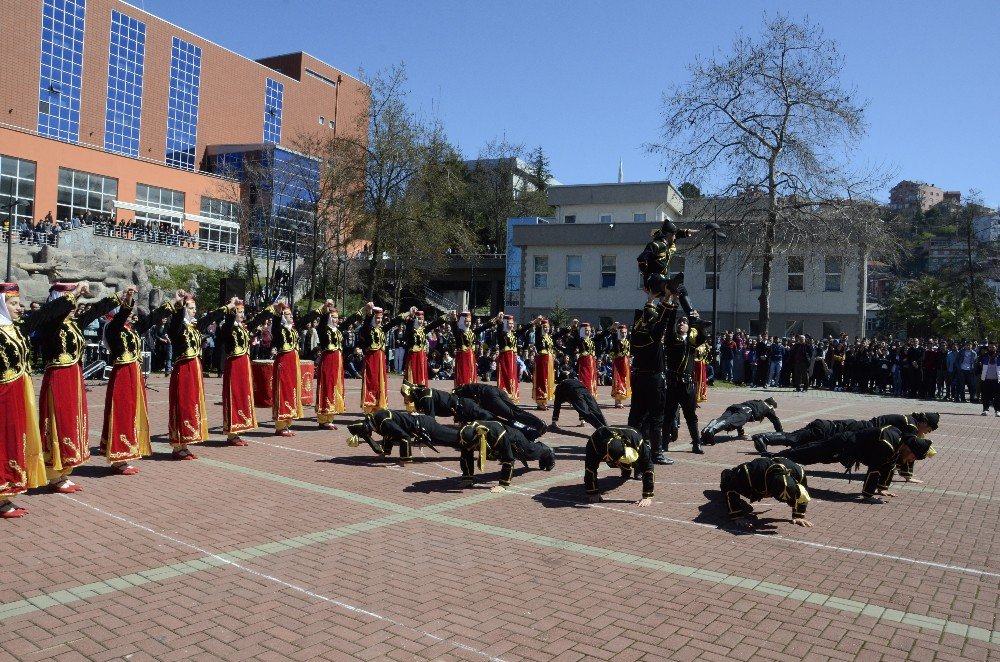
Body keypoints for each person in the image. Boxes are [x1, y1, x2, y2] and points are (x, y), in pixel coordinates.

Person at [31, 281, 117, 491]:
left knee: (72, 421)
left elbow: (96, 311)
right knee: (58, 421)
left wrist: (119, 297)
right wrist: (75, 293)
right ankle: (54, 473)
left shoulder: (74, 323)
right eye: (69, 299)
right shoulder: (50, 323)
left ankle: (65, 470)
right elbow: (51, 313)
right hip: (58, 378)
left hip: (74, 377)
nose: (73, 305)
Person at [768, 425, 936, 503]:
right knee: (808, 454)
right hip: (843, 444)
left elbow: (889, 465)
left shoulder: (898, 443)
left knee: (811, 455)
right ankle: (774, 458)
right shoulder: (888, 444)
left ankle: (776, 457)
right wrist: (868, 495)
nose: (911, 461)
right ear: (910, 449)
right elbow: (875, 469)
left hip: (850, 451)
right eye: (913, 458)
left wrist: (883, 488)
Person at [99, 287, 163, 473]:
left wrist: (173, 306)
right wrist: (126, 300)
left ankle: (126, 453)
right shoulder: (111, 327)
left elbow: (150, 320)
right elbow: (119, 319)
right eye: (125, 310)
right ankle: (119, 457)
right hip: (122, 375)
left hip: (133, 373)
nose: (129, 314)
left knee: (132, 413)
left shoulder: (130, 328)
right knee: (122, 413)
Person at [0, 283, 46, 518]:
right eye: (13, 303)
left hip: (17, 390)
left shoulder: (14, 328)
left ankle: (7, 493)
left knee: (15, 438)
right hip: (3, 392)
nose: (19, 308)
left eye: (19, 303)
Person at [628, 288, 672, 465]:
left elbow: (646, 317)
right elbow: (663, 320)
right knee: (656, 418)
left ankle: (632, 450)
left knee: (636, 416)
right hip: (654, 380)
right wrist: (667, 297)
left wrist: (650, 300)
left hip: (638, 378)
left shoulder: (636, 334)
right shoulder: (654, 335)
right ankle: (657, 453)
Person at [165, 290, 210, 459]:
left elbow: (209, 319)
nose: (194, 311)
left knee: (192, 405)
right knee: (182, 404)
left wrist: (227, 308)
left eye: (194, 308)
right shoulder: (177, 327)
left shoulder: (193, 327)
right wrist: (179, 305)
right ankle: (178, 445)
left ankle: (185, 443)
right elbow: (175, 323)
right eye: (191, 308)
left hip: (194, 369)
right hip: (183, 369)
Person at [662, 303, 710, 454]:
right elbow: (669, 327)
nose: (681, 324)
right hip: (672, 383)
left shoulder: (692, 342)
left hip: (688, 384)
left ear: (689, 327)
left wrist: (696, 319)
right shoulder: (671, 338)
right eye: (679, 322)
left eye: (685, 322)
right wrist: (674, 306)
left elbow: (703, 335)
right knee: (668, 415)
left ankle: (696, 443)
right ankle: (663, 444)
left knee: (691, 415)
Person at [455, 420, 555, 491]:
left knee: (531, 453)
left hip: (514, 439)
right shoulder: (465, 435)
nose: (469, 449)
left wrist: (503, 484)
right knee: (467, 452)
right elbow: (465, 456)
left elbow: (508, 458)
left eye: (471, 446)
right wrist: (467, 478)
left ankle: (548, 451)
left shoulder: (496, 434)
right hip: (496, 443)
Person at [720, 457, 812, 528]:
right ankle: (726, 474)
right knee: (729, 479)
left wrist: (798, 515)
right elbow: (731, 489)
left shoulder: (798, 473)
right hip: (752, 474)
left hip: (777, 463)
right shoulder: (750, 474)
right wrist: (737, 516)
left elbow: (804, 494)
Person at [346, 409, 460, 464]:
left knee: (455, 439)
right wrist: (384, 453)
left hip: (425, 425)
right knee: (453, 440)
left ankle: (474, 440)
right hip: (421, 424)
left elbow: (404, 437)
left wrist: (404, 459)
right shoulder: (376, 420)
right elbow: (388, 434)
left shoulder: (382, 421)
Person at [583, 426, 654, 507]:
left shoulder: (636, 441)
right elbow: (590, 469)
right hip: (603, 445)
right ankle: (625, 471)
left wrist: (647, 496)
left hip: (631, 439)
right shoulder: (594, 443)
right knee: (592, 463)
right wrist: (592, 492)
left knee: (640, 463)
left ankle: (631, 469)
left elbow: (648, 467)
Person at [314, 301, 357, 429]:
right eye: (333, 317)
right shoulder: (323, 329)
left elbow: (349, 321)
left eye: (337, 317)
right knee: (327, 386)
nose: (336, 320)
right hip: (328, 360)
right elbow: (322, 323)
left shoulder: (338, 330)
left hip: (337, 361)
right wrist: (326, 308)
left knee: (335, 387)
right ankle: (323, 418)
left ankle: (330, 417)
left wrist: (363, 311)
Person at [453, 382, 547, 439]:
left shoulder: (460, 396)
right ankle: (535, 426)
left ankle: (536, 426)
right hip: (495, 390)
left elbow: (467, 409)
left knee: (511, 415)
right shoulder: (466, 388)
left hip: (489, 396)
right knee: (516, 412)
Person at [266, 299, 304, 437]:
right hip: (284, 363)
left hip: (293, 363)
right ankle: (280, 425)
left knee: (291, 391)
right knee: (283, 392)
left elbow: (304, 320)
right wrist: (278, 311)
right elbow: (275, 325)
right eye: (287, 314)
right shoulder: (279, 329)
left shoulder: (292, 329)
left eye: (291, 314)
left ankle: (288, 423)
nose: (291, 316)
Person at [700, 397, 781, 446]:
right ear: (772, 405)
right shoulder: (769, 407)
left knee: (722, 419)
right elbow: (776, 420)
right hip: (746, 411)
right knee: (730, 421)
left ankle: (707, 429)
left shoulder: (757, 402)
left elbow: (741, 421)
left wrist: (741, 433)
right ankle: (712, 430)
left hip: (736, 406)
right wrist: (781, 434)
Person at [356, 302, 390, 413]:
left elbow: (393, 322)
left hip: (380, 359)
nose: (379, 320)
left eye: (380, 318)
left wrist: (408, 314)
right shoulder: (367, 329)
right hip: (371, 358)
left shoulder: (381, 329)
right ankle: (369, 407)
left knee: (381, 382)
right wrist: (369, 312)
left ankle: (379, 406)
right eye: (377, 318)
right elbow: (365, 326)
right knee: (371, 381)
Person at [564, 321, 599, 397]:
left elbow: (601, 336)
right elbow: (576, 337)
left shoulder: (592, 340)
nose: (588, 332)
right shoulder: (580, 340)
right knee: (585, 378)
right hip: (584, 362)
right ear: (583, 331)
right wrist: (575, 327)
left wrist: (611, 329)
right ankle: (584, 394)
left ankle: (591, 395)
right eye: (586, 330)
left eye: (589, 331)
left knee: (592, 378)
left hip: (592, 363)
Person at [529, 316, 555, 410]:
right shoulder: (539, 335)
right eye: (544, 327)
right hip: (542, 360)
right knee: (542, 379)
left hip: (549, 360)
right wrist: (538, 323)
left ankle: (544, 400)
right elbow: (538, 332)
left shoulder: (549, 337)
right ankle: (540, 401)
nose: (546, 329)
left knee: (548, 379)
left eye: (547, 327)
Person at [450, 310, 480, 387]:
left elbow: (483, 328)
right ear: (462, 321)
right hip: (462, 357)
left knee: (471, 373)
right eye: (466, 321)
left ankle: (471, 389)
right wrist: (454, 318)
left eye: (470, 321)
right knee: (463, 373)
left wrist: (495, 320)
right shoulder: (459, 332)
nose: (468, 323)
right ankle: (462, 389)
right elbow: (454, 328)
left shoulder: (472, 332)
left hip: (471, 357)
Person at [495, 313, 521, 402]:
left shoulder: (514, 334)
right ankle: (504, 395)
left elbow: (523, 330)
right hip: (505, 358)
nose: (511, 325)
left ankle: (512, 394)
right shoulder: (502, 333)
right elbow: (499, 331)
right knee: (505, 376)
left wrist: (533, 323)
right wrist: (500, 322)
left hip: (512, 359)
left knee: (513, 376)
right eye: (509, 324)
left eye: (512, 324)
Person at [609, 324, 631, 408]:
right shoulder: (617, 341)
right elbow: (614, 338)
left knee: (624, 381)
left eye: (625, 332)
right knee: (618, 381)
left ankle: (621, 399)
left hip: (626, 364)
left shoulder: (627, 341)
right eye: (621, 332)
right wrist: (614, 330)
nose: (623, 334)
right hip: (618, 363)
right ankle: (617, 401)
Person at [980, 343, 1000, 416]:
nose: (991, 348)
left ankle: (997, 410)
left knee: (997, 396)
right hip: (986, 379)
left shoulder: (999, 356)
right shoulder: (984, 356)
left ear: (996, 347)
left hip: (997, 380)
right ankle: (985, 410)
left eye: (993, 347)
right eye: (990, 347)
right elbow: (978, 365)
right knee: (986, 395)